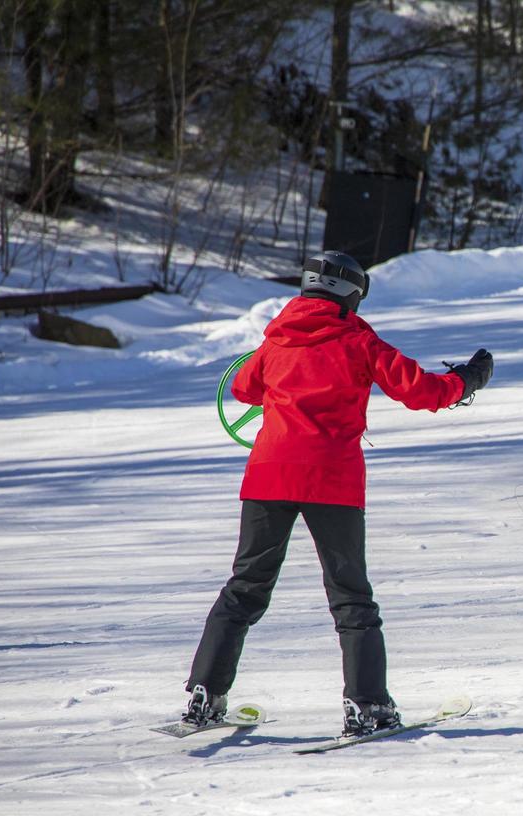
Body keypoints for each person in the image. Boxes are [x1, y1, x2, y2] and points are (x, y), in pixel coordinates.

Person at [180, 250, 494, 735]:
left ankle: (206, 694)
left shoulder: (277, 339)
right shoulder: (358, 340)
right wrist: (467, 380)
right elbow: (422, 392)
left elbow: (244, 388)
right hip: (332, 480)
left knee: (245, 587)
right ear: (352, 296)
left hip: (269, 475)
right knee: (350, 597)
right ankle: (367, 706)